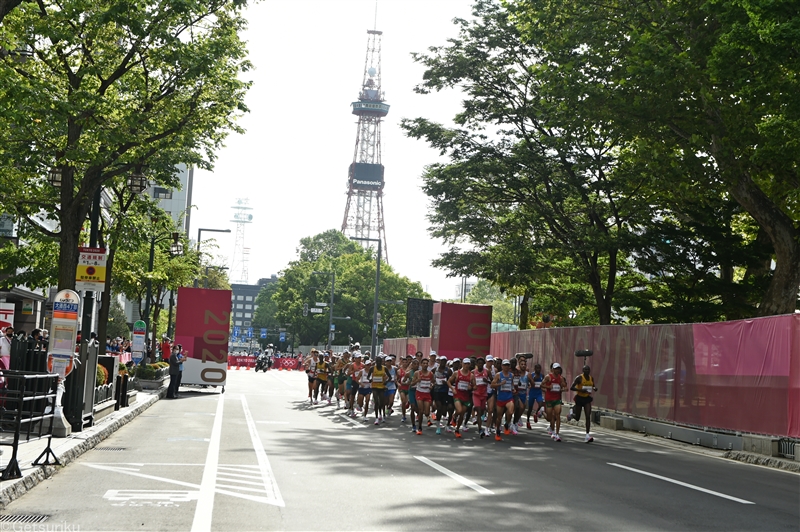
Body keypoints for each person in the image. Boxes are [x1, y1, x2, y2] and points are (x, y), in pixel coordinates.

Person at [568, 365, 598, 442]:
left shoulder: (591, 378)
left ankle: (587, 435)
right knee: (577, 418)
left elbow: (593, 386)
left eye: (588, 369)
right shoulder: (579, 378)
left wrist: (594, 388)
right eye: (585, 369)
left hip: (587, 399)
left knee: (588, 416)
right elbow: (571, 387)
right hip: (579, 398)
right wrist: (580, 390)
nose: (587, 371)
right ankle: (572, 413)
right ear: (583, 370)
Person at [542, 362, 568, 441]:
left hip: (557, 399)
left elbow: (566, 387)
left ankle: (557, 434)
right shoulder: (548, 377)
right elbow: (541, 385)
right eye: (555, 369)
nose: (557, 370)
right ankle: (543, 412)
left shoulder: (561, 378)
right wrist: (548, 386)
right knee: (549, 418)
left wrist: (563, 389)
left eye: (558, 369)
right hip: (549, 399)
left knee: (557, 415)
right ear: (552, 369)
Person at [491, 359, 515, 441]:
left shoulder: (511, 375)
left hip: (509, 397)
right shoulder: (498, 375)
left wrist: (513, 389)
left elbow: (512, 385)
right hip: (500, 398)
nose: (506, 367)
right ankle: (498, 431)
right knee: (499, 417)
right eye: (505, 365)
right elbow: (492, 385)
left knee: (511, 411)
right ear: (502, 366)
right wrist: (500, 384)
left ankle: (506, 424)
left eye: (508, 365)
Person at [449, 357, 473, 438]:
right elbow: (449, 382)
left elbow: (475, 386)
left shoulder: (471, 375)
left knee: (462, 414)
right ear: (462, 364)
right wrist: (452, 389)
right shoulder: (456, 373)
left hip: (466, 397)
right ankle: (454, 416)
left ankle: (457, 429)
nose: (466, 365)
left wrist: (471, 387)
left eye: (468, 364)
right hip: (457, 395)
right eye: (465, 363)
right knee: (459, 410)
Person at [472, 357, 490, 438]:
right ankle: (480, 429)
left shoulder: (487, 372)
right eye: (478, 363)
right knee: (479, 411)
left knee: (482, 412)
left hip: (484, 394)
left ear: (483, 364)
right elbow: (470, 383)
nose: (480, 364)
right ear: (476, 364)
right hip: (476, 394)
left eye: (481, 363)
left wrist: (487, 381)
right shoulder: (473, 372)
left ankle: (479, 420)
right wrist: (473, 386)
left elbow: (493, 382)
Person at [368, 355, 388, 424]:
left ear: (382, 362)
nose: (379, 363)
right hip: (375, 387)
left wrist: (386, 382)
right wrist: (370, 379)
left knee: (382, 402)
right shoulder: (372, 368)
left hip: (382, 387)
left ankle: (382, 415)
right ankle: (376, 418)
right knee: (376, 402)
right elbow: (368, 377)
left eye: (380, 361)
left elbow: (390, 377)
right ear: (375, 362)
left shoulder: (384, 368)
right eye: (377, 361)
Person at [526, 363, 545, 428]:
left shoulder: (542, 375)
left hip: (538, 393)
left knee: (540, 404)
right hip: (532, 393)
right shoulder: (531, 375)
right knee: (530, 408)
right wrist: (533, 379)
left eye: (539, 368)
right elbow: (529, 384)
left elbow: (544, 383)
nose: (538, 370)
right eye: (537, 368)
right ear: (534, 369)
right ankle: (528, 421)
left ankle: (536, 413)